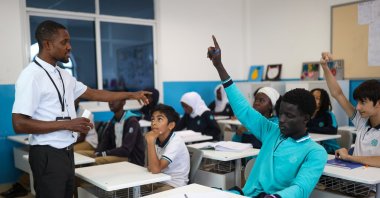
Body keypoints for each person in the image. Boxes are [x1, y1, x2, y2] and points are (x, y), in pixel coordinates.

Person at [11, 20, 150, 198]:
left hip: (66, 152)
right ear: (47, 44)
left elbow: (95, 94)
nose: (69, 47)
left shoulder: (62, 74)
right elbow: (19, 123)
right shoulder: (31, 76)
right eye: (64, 42)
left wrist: (131, 95)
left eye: (69, 42)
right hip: (47, 154)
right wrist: (67, 124)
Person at [207, 35, 327, 197]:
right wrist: (219, 66)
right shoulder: (272, 130)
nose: (282, 120)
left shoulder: (315, 152)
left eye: (289, 116)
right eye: (281, 114)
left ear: (305, 118)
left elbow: (301, 188)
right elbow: (244, 110)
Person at [320, 52, 380, 167]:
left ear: (378, 103)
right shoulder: (362, 120)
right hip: (357, 180)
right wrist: (324, 67)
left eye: (363, 102)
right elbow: (337, 94)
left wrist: (349, 157)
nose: (357, 107)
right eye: (357, 102)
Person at [77, 99, 145, 166]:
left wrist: (104, 153)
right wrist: (98, 152)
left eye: (115, 99)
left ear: (123, 102)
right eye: (109, 100)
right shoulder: (113, 121)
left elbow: (126, 150)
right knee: (79, 155)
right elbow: (105, 142)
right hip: (115, 153)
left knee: (96, 161)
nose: (111, 102)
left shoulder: (131, 121)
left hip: (130, 158)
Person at [145, 104, 190, 192]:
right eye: (152, 119)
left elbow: (155, 169)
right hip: (158, 180)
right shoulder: (156, 138)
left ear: (171, 125)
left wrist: (150, 142)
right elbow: (150, 166)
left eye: (159, 119)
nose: (154, 123)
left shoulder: (175, 142)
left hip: (174, 185)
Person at [307, 88, 340, 154]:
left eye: (317, 98)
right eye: (312, 97)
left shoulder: (329, 114)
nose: (313, 100)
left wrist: (309, 129)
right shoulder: (307, 114)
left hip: (330, 150)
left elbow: (333, 130)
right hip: (314, 148)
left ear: (323, 101)